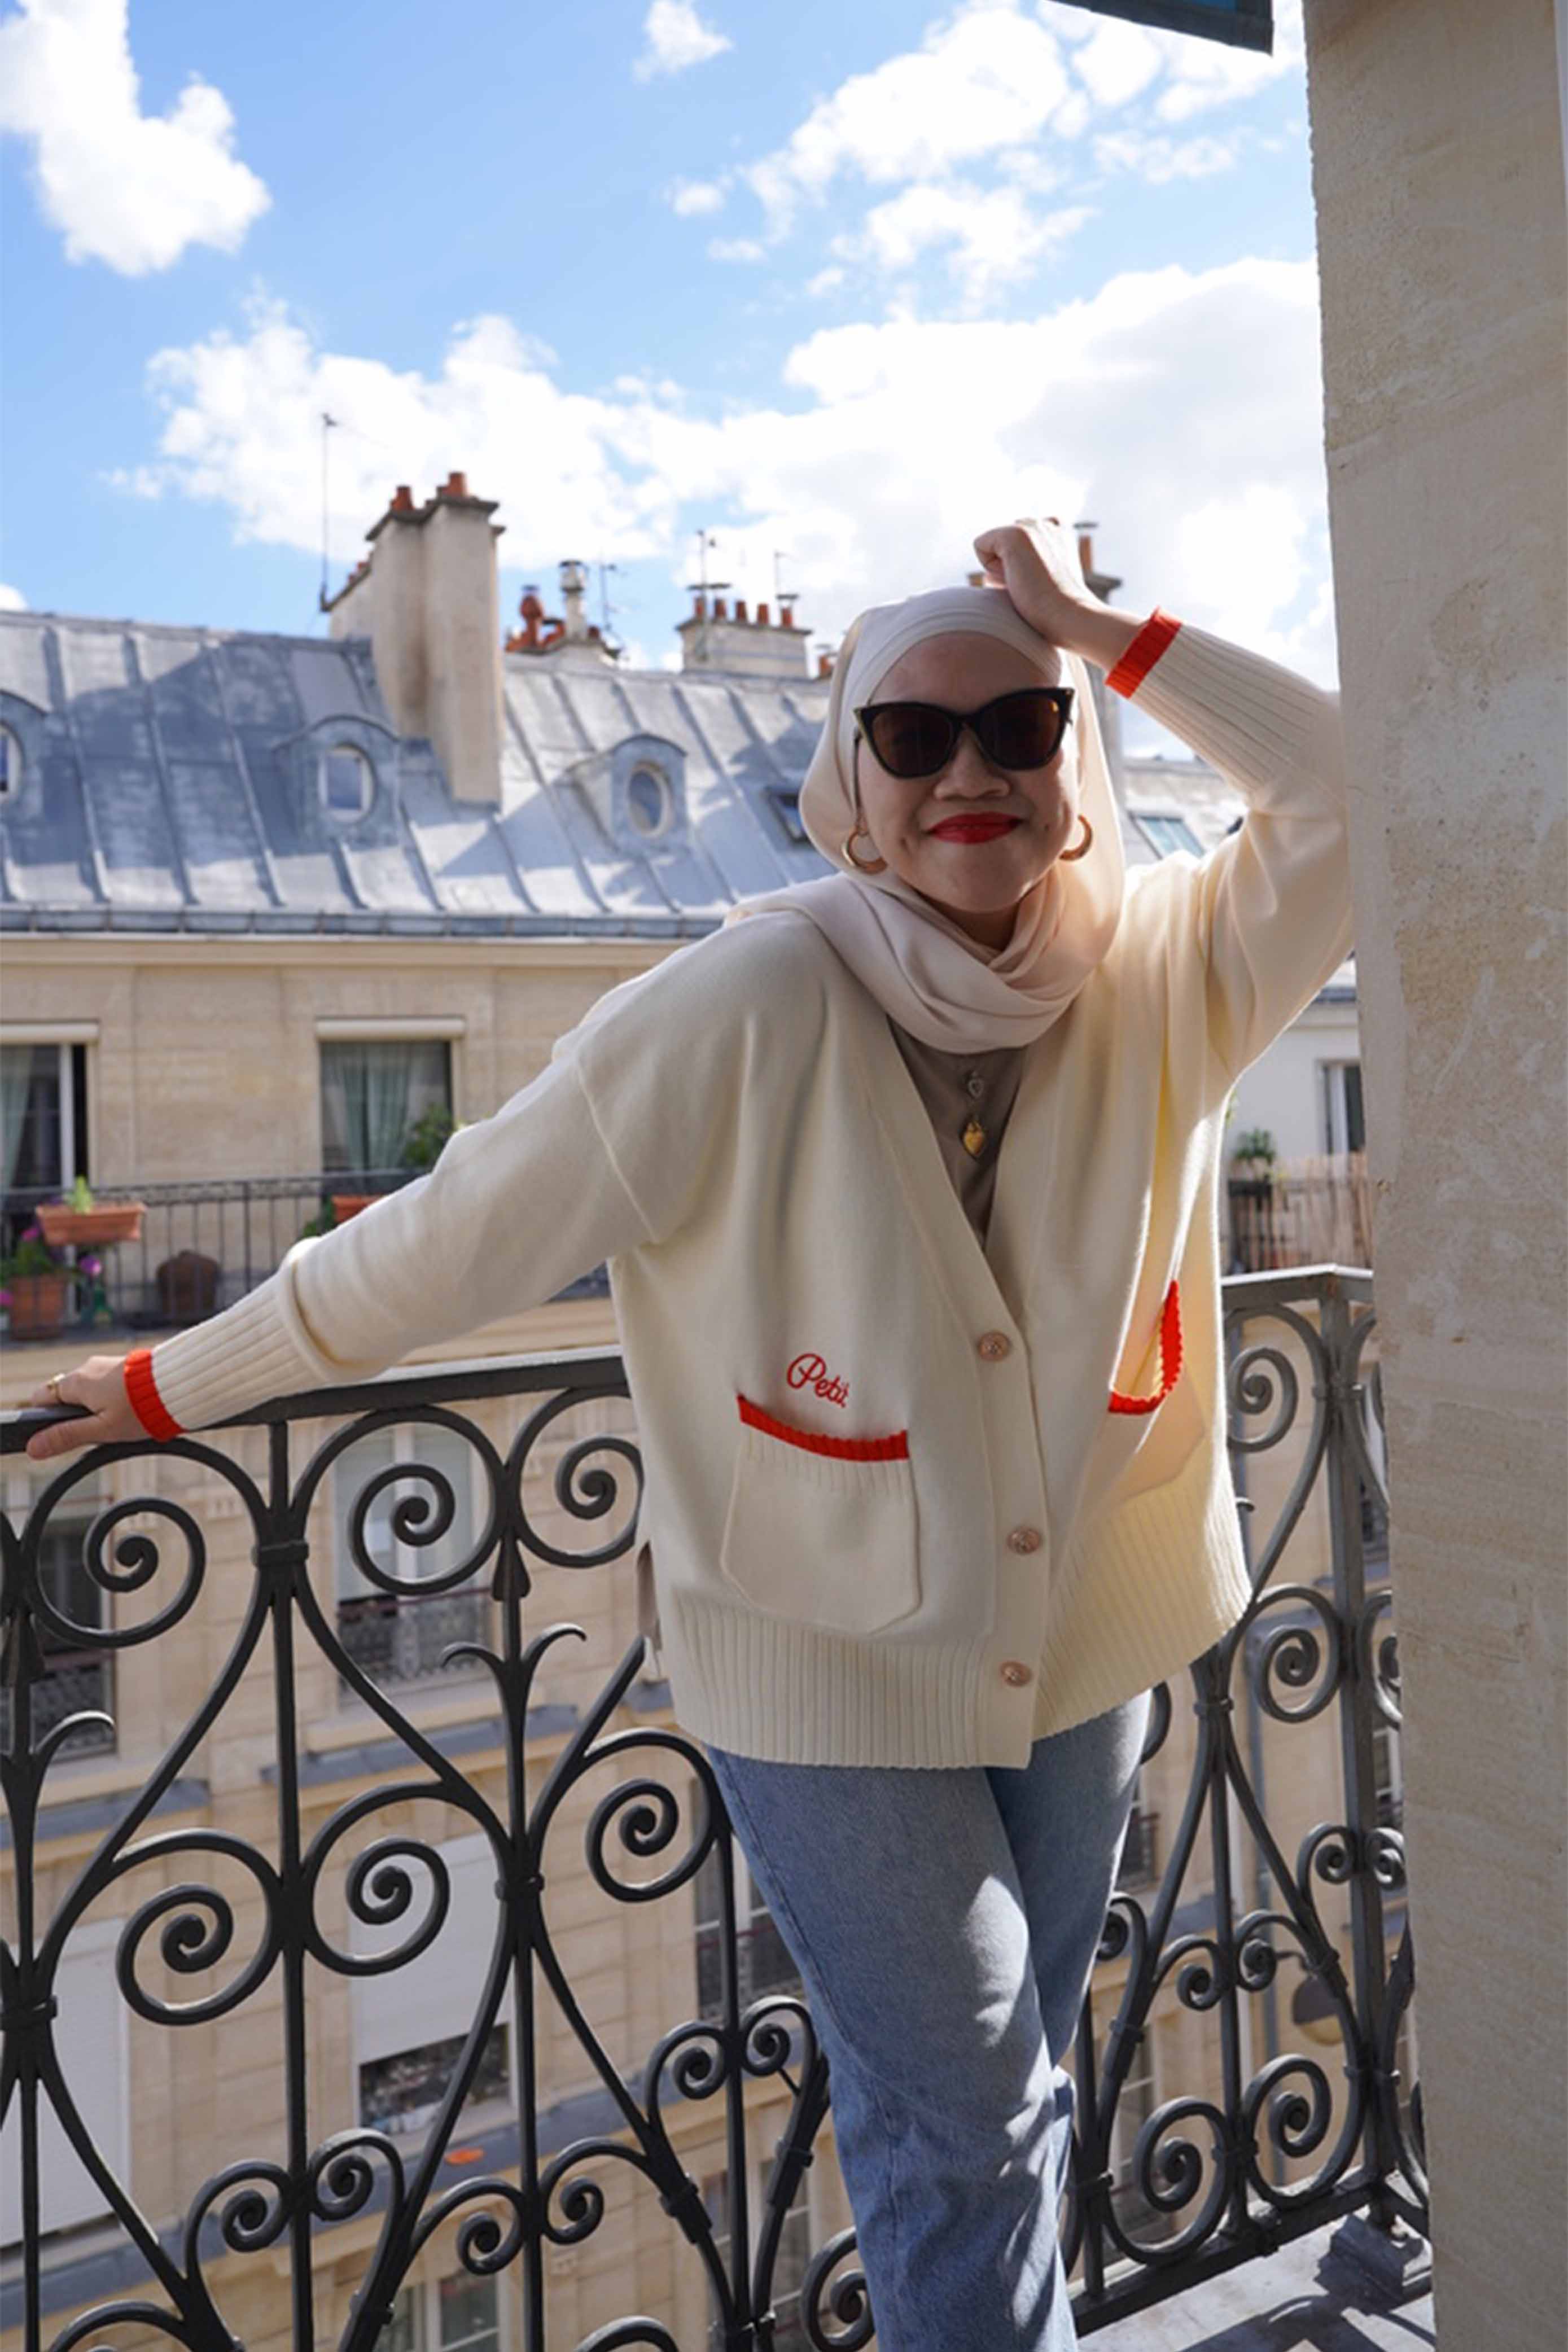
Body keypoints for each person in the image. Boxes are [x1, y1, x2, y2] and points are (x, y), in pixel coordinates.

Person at [23, 518, 1354, 2350]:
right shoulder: (748, 998)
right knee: (971, 2109)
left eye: (1019, 730)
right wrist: (178, 1384)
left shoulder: (1165, 971)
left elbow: (1372, 790)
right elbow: (459, 1229)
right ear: (850, 796)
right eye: (910, 737)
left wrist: (1108, 629)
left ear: (1072, 780)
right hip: (820, 1652)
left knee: (1008, 2085)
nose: (967, 767)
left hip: (1086, 1642)